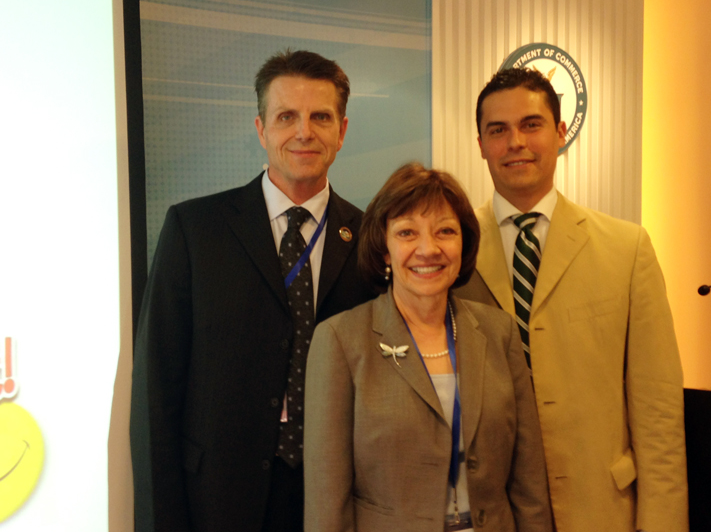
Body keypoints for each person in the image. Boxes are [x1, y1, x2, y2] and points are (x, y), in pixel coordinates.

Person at [130, 49, 376, 532]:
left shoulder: (371, 238)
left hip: (336, 499)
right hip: (217, 499)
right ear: (261, 129)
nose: (304, 132)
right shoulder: (195, 230)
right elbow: (156, 393)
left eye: (320, 117)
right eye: (286, 117)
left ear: (342, 131)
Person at [455, 67, 688, 532]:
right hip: (490, 513)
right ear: (480, 144)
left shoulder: (627, 249)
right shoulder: (452, 251)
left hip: (599, 509)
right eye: (497, 130)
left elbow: (658, 414)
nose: (515, 142)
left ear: (561, 133)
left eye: (531, 125)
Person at [303, 162, 554, 532]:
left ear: (463, 243)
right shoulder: (341, 341)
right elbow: (327, 501)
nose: (428, 249)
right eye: (407, 233)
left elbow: (528, 481)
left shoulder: (499, 332)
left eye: (445, 231)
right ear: (384, 249)